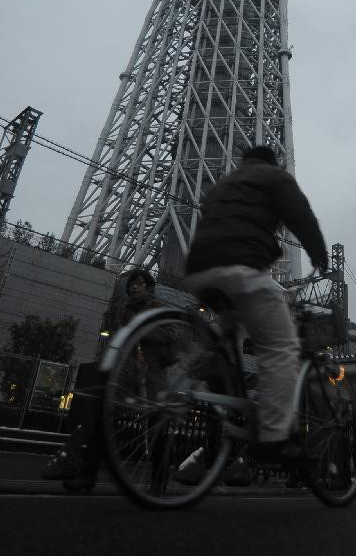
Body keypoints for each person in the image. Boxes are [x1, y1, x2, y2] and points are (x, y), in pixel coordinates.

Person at [185, 144, 328, 462]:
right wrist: (319, 254)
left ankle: (224, 396)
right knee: (279, 348)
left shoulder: (224, 182)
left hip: (197, 269)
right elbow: (301, 216)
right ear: (273, 163)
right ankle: (274, 435)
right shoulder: (276, 178)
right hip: (241, 267)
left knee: (229, 340)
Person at [46, 268, 160, 492]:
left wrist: (144, 331)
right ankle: (87, 477)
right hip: (124, 375)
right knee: (102, 423)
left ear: (148, 286)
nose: (134, 287)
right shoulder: (124, 311)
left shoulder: (158, 309)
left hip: (151, 375)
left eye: (139, 283)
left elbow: (172, 334)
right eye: (131, 284)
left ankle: (158, 483)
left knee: (157, 429)